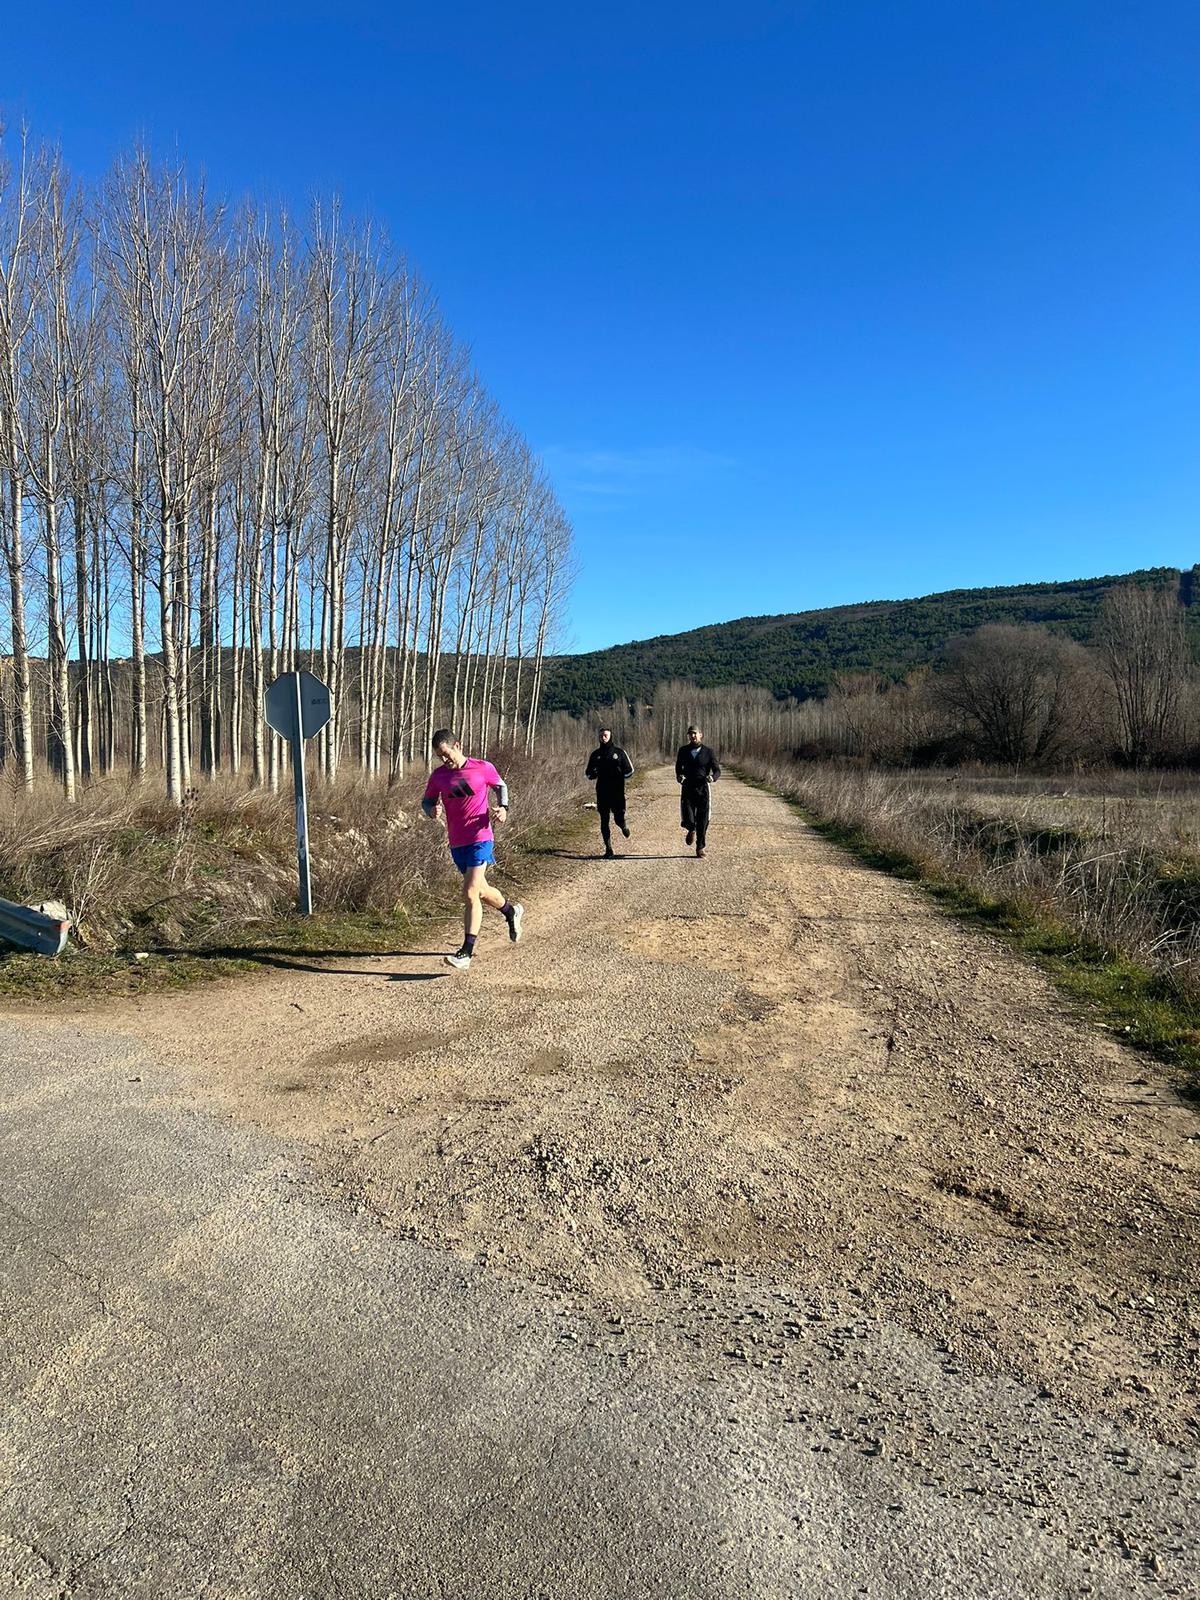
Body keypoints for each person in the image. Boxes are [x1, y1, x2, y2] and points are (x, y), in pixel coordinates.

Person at [421, 729, 523, 971]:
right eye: (439, 756)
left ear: (458, 745)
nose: (444, 760)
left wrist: (503, 808)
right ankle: (511, 911)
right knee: (481, 891)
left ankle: (466, 952)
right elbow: (427, 800)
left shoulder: (482, 767)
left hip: (481, 837)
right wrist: (430, 810)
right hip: (457, 842)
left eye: (446, 754)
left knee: (469, 892)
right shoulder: (438, 777)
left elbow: (501, 786)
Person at [584, 726, 635, 858]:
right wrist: (593, 773)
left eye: (606, 735)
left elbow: (630, 770)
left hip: (617, 791)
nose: (603, 738)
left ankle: (623, 825)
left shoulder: (619, 752)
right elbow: (588, 774)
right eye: (601, 736)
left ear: (610, 736)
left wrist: (620, 776)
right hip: (602, 791)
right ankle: (609, 849)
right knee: (604, 820)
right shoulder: (595, 755)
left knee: (618, 817)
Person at [675, 724, 721, 858]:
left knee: (703, 820)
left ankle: (700, 847)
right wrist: (679, 776)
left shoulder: (708, 752)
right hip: (688, 787)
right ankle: (691, 828)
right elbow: (678, 768)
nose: (693, 736)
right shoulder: (683, 751)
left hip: (703, 788)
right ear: (688, 736)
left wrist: (713, 777)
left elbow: (717, 770)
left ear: (701, 735)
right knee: (688, 817)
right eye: (690, 734)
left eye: (695, 733)